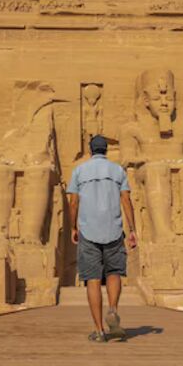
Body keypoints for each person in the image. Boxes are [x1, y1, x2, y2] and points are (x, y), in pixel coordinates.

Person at [67, 135, 137, 342]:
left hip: (88, 230)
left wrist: (73, 227)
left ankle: (99, 331)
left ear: (90, 151)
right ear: (105, 150)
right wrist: (132, 229)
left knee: (93, 280)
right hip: (113, 230)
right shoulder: (117, 170)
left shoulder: (79, 170)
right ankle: (112, 309)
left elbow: (73, 202)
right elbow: (126, 199)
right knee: (114, 273)